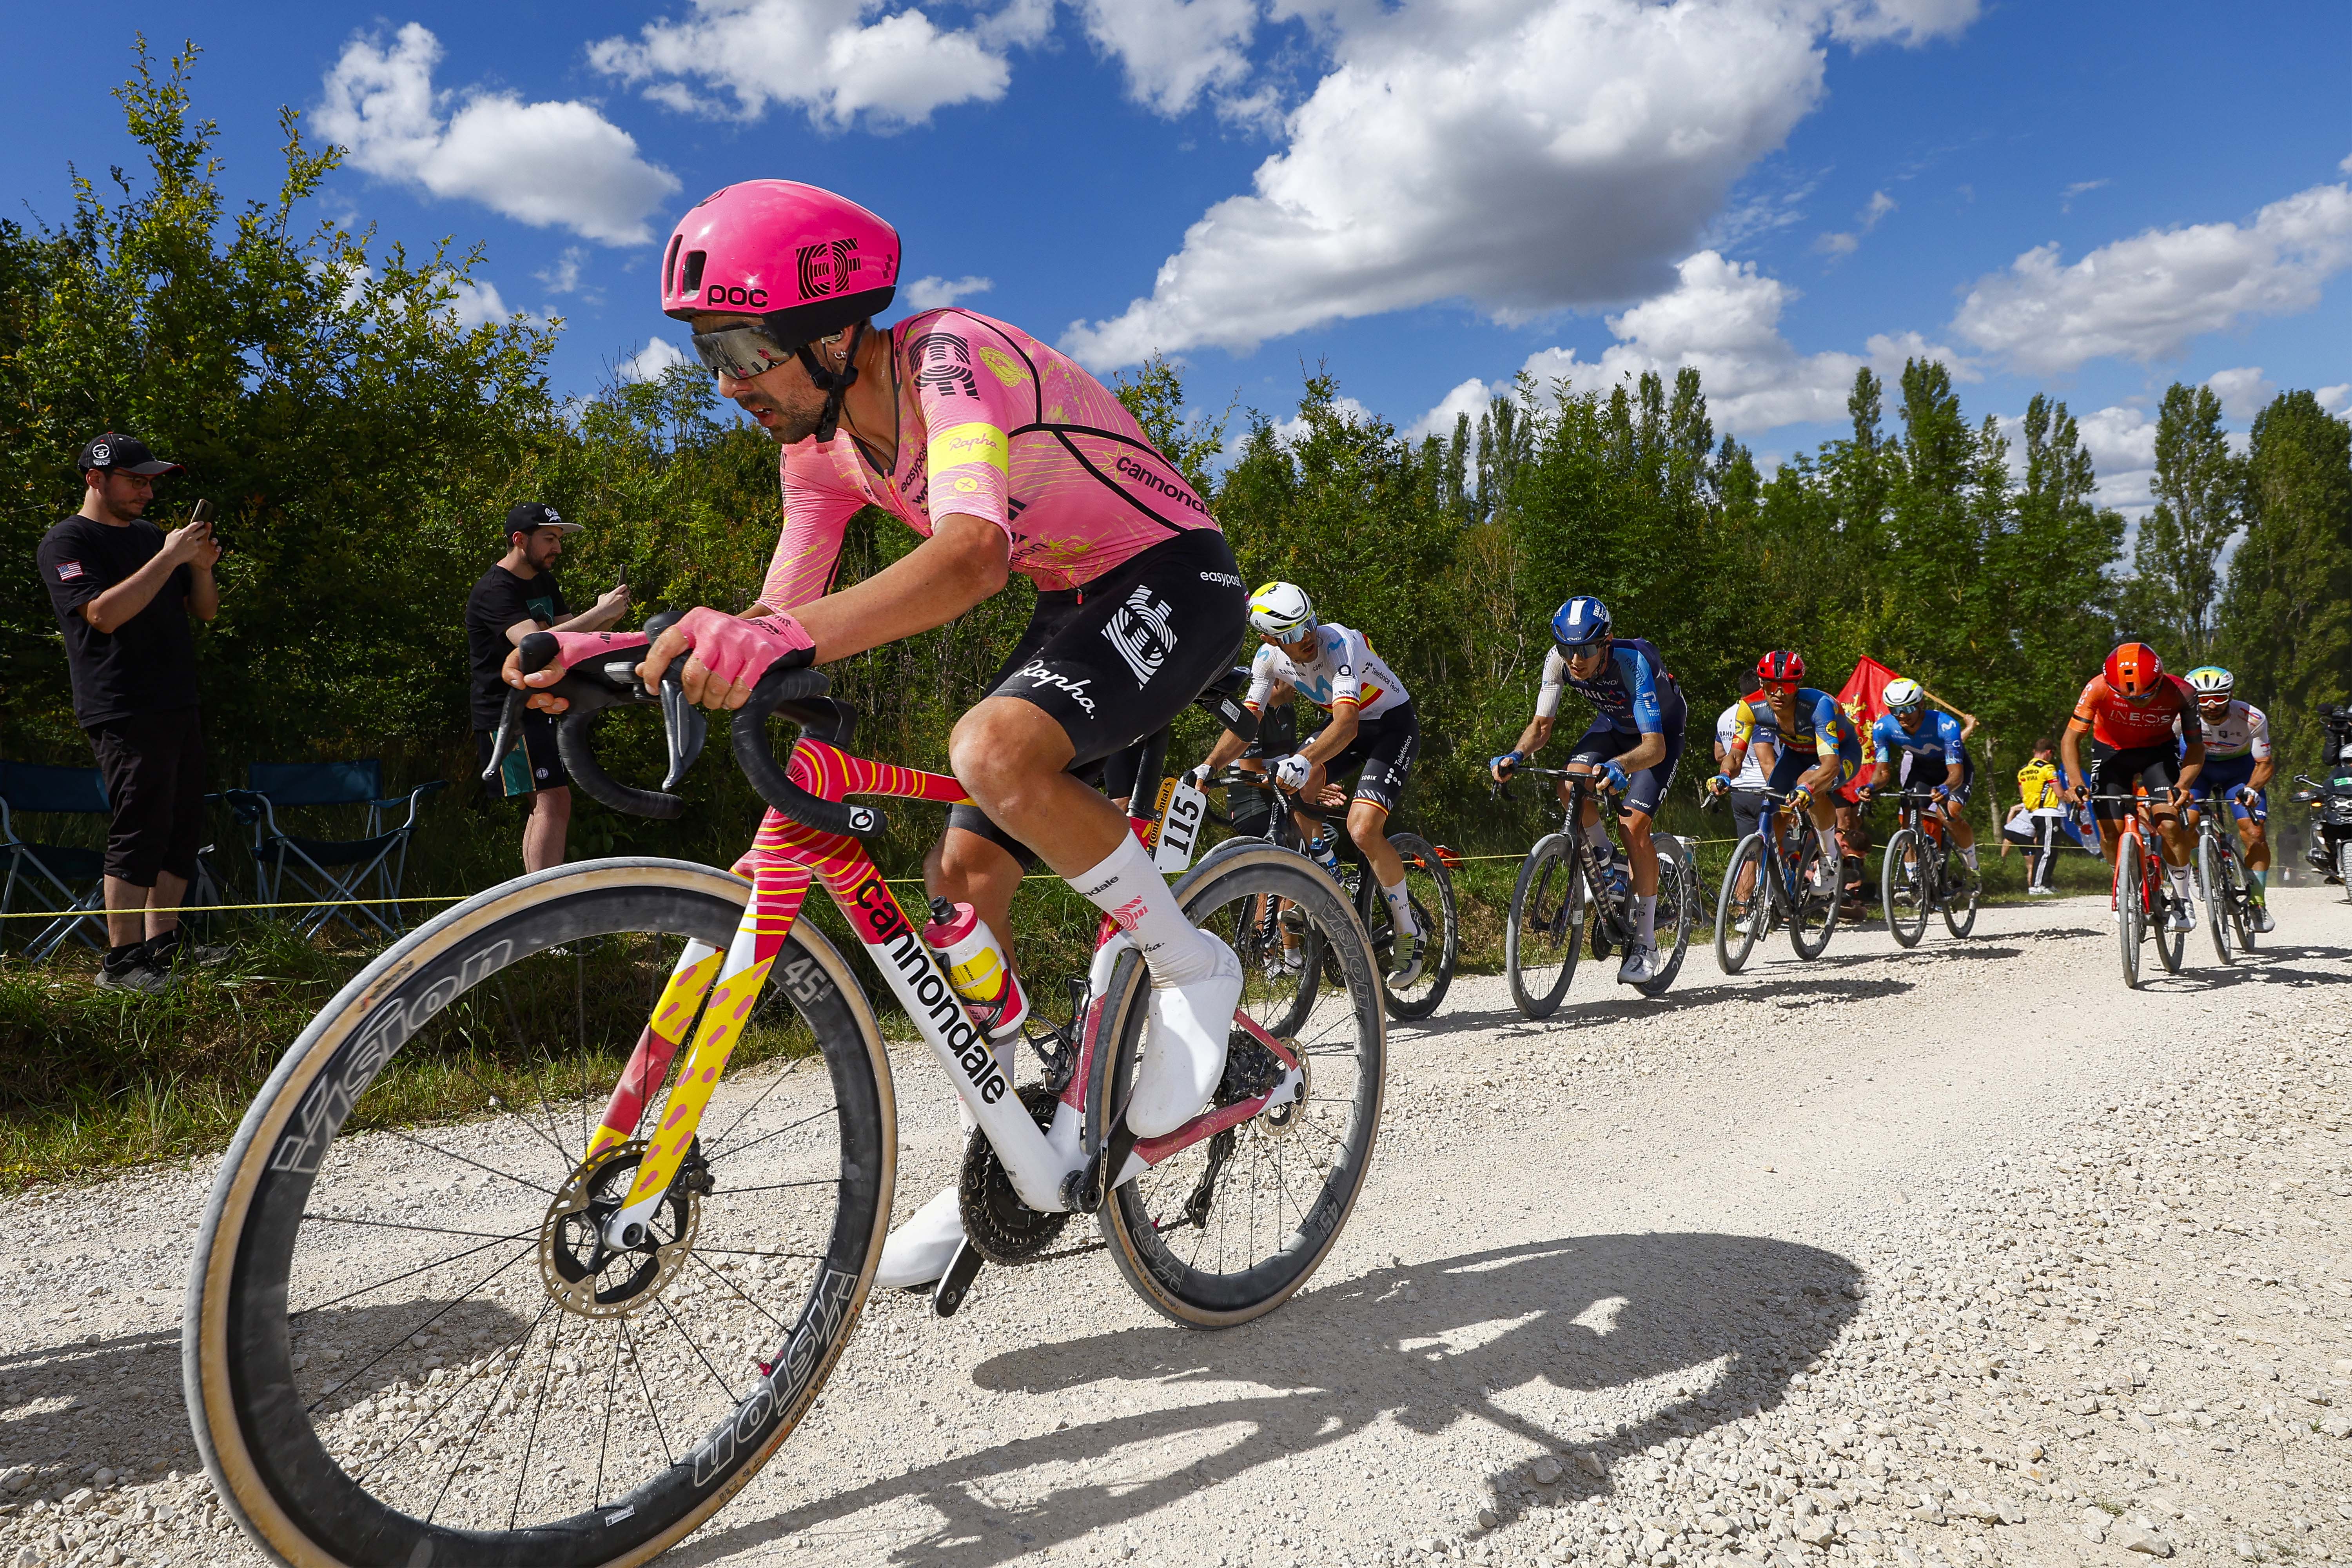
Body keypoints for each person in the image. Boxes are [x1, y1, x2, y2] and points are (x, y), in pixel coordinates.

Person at [521, 180, 1248, 1290]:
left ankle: (1193, 965)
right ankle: (1010, 1149)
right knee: (960, 876)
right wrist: (627, 653)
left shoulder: (948, 360)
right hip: (1073, 600)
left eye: (745, 349)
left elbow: (971, 556)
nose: (729, 383)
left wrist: (770, 639)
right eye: (709, 355)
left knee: (991, 750)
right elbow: (779, 621)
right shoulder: (815, 452)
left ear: (832, 329)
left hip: (1174, 575)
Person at [36, 432, 224, 993]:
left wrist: (201, 567)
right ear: (96, 479)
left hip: (177, 699)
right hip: (120, 704)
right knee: (140, 825)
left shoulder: (148, 536)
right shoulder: (67, 541)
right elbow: (103, 615)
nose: (147, 492)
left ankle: (163, 946)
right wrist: (169, 556)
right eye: (136, 481)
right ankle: (121, 962)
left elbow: (205, 612)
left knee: (181, 825)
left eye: (151, 482)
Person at [1195, 582, 1428, 984]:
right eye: (1292, 633)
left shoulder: (1337, 643)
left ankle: (1410, 929)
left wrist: (1303, 759)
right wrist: (1209, 765)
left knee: (1362, 829)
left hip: (1390, 727)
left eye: (1309, 623)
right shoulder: (1267, 660)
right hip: (1344, 725)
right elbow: (1248, 723)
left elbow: (1347, 724)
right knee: (1296, 786)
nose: (1307, 637)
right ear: (1269, 639)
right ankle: (1327, 871)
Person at [1488, 597, 1687, 983]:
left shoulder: (1633, 662)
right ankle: (1607, 860)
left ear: (1606, 643)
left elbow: (1654, 747)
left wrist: (1621, 765)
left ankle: (1646, 942)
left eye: (1586, 650)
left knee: (1633, 826)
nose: (1576, 660)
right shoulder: (1558, 661)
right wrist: (1516, 754)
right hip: (1614, 726)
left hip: (1658, 735)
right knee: (1570, 784)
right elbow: (1541, 727)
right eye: (1567, 650)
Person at [465, 502, 630, 872]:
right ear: (519, 540)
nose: (558, 547)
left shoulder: (544, 581)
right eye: (549, 538)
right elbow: (534, 643)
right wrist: (599, 613)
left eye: (558, 538)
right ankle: (545, 899)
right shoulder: (494, 589)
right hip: (507, 714)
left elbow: (571, 641)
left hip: (541, 705)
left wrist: (610, 621)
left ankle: (538, 894)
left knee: (549, 802)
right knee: (552, 800)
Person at [2061, 642, 2203, 931]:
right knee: (2109, 832)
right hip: (2110, 754)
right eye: (2127, 698)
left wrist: (2183, 784)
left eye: (2146, 696)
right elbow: (2070, 739)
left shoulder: (2183, 692)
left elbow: (2196, 747)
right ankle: (2123, 883)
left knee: (2169, 825)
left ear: (2160, 680)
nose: (2138, 702)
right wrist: (2076, 782)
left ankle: (2182, 898)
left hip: (2158, 754)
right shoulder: (2097, 688)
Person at [1706, 651, 1860, 907]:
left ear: (1798, 685)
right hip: (1795, 753)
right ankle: (1777, 886)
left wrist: (1809, 788)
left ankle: (1829, 857)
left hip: (1839, 755)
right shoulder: (1750, 707)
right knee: (1773, 814)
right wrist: (1724, 775)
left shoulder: (1818, 706)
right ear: (1761, 684)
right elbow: (1734, 756)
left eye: (1787, 686)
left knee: (1808, 783)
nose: (1778, 693)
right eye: (1771, 686)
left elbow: (1830, 765)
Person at [2183, 665, 2277, 932]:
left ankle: (2257, 903)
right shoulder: (2180, 717)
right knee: (2185, 824)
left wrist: (2253, 789)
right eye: (2203, 699)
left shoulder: (2252, 717)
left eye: (2219, 697)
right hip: (2197, 771)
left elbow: (2265, 763)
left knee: (2255, 833)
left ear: (2231, 695)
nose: (2211, 705)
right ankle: (2198, 865)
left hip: (2239, 772)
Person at [1854, 677, 1979, 878]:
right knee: (1907, 819)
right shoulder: (1883, 728)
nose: (1902, 716)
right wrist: (1871, 786)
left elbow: (1956, 774)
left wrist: (1946, 788)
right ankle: (1914, 881)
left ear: (1921, 704)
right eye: (1895, 710)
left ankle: (1972, 868)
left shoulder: (1946, 725)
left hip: (1953, 771)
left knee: (1949, 815)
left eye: (1907, 709)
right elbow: (1883, 773)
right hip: (1921, 771)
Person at [1713, 688, 1779, 908]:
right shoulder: (1763, 713)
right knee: (1777, 850)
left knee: (1749, 854)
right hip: (1764, 788)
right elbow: (1767, 761)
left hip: (1739, 789)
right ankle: (1775, 908)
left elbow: (1719, 754)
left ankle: (1743, 910)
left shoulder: (1725, 716)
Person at [2007, 737, 2068, 894]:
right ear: (2049, 752)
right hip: (2049, 812)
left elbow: (2023, 794)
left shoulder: (2024, 770)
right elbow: (2059, 792)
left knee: (2050, 849)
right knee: (2047, 850)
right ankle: (2037, 885)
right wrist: (2070, 798)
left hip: (2034, 812)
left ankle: (2047, 883)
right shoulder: (2047, 768)